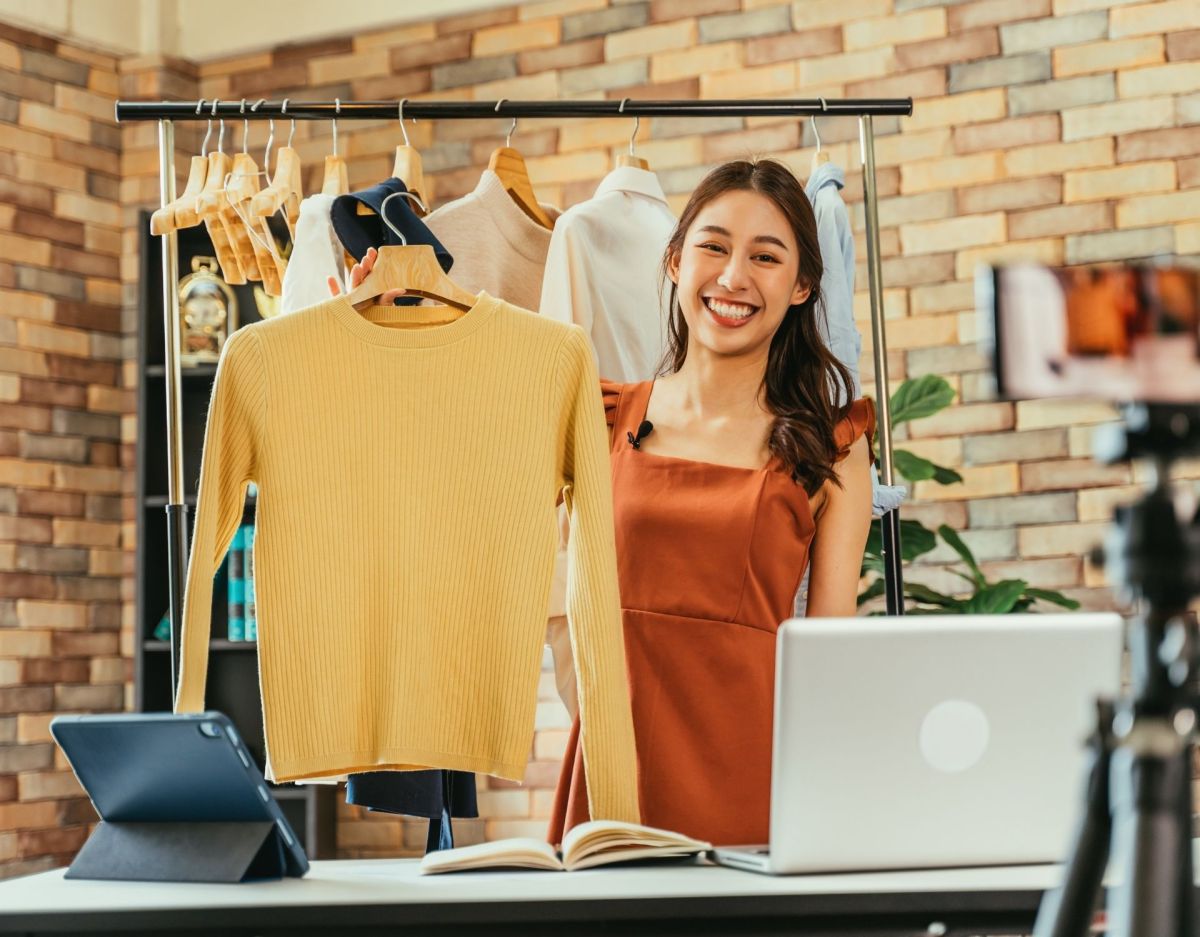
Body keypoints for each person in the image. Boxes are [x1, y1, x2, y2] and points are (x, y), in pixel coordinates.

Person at [335, 159, 874, 847]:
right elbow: (446, 469)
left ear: (800, 286)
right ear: (675, 261)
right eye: (714, 246)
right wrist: (376, 342)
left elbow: (829, 664)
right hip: (612, 782)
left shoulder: (831, 444)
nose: (734, 276)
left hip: (757, 789)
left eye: (765, 257)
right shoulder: (597, 411)